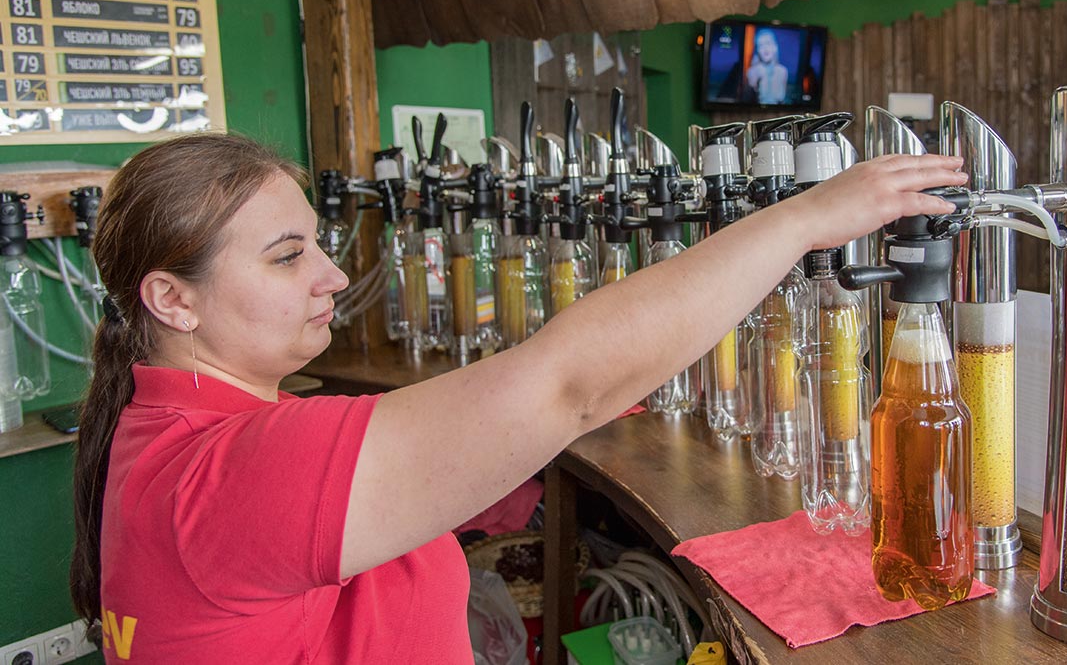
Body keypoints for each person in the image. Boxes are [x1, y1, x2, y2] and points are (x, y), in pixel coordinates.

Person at [70, 133, 965, 663]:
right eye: (286, 254)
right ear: (171, 298)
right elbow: (571, 383)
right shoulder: (226, 474)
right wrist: (804, 218)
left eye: (317, 244)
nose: (334, 275)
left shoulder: (172, 435)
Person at [745, 28, 790, 105]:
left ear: (775, 47)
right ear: (758, 50)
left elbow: (784, 101)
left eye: (768, 43)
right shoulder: (752, 72)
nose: (765, 48)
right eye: (761, 45)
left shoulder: (783, 71)